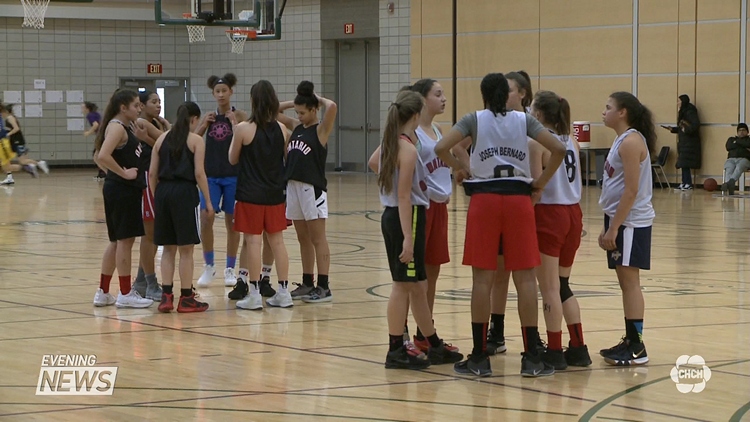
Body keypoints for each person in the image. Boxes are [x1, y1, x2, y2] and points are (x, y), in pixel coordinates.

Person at [435, 72, 565, 377]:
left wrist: (461, 169)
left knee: (483, 281)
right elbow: (557, 149)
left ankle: (480, 357)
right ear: (508, 95)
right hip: (519, 200)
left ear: (483, 95)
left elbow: (442, 148)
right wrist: (540, 183)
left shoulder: (473, 119)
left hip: (485, 201)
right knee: (525, 280)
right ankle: (532, 357)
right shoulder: (524, 120)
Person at [368, 90, 463, 370]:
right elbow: (403, 196)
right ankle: (395, 348)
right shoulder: (407, 149)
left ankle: (432, 343)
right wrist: (408, 238)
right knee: (403, 285)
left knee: (419, 286)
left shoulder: (396, 142)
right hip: (405, 217)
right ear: (414, 115)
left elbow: (377, 165)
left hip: (402, 216)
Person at [528, 90, 592, 369]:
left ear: (539, 115)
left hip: (549, 214)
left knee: (549, 288)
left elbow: (534, 186)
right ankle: (578, 347)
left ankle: (554, 350)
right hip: (573, 213)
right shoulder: (573, 142)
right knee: (562, 285)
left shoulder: (536, 143)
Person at [598, 92, 656, 366]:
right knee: (625, 283)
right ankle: (630, 339)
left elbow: (631, 190)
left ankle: (637, 347)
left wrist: (614, 228)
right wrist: (609, 224)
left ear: (622, 112)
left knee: (631, 283)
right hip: (620, 220)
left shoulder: (631, 142)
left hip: (631, 222)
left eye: (608, 107)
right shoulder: (622, 140)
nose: (604, 111)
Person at [229, 80, 292, 310]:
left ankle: (254, 294)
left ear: (253, 101)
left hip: (250, 194)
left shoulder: (243, 129)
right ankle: (284, 292)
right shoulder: (282, 129)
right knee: (278, 242)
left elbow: (232, 159)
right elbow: (286, 158)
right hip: (275, 193)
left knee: (253, 241)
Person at [484, 70, 533, 355]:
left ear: (523, 93)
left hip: (526, 205)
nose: (506, 95)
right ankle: (497, 332)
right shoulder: (488, 120)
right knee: (499, 274)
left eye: (511, 90)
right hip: (501, 206)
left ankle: (538, 339)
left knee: (532, 279)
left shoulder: (530, 121)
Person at [92, 89, 153, 309]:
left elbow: (98, 155)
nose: (139, 108)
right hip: (122, 190)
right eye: (136, 105)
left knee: (116, 241)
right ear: (123, 108)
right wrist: (122, 173)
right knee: (125, 242)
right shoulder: (117, 128)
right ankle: (125, 293)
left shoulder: (120, 127)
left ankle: (103, 291)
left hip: (117, 189)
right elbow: (102, 156)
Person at [277, 81, 337, 303]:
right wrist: (296, 100)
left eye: (303, 112)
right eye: (297, 112)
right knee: (302, 238)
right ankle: (307, 282)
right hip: (292, 186)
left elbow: (332, 107)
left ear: (313, 110)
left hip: (312, 188)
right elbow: (274, 110)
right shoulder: (297, 126)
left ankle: (324, 286)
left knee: (317, 237)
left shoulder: (320, 130)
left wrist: (316, 97)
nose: (299, 116)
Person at [149, 101, 211, 313]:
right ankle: (186, 297)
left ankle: (166, 296)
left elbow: (151, 174)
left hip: (163, 192)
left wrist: (157, 196)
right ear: (194, 119)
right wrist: (209, 201)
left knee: (168, 248)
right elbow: (199, 173)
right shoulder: (195, 140)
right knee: (186, 250)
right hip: (185, 193)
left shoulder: (161, 139)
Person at [195, 74, 246, 290]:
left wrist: (235, 123)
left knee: (233, 222)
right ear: (213, 94)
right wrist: (203, 126)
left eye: (225, 90)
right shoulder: (209, 117)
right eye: (218, 91)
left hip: (234, 175)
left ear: (231, 92)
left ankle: (230, 269)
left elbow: (247, 140)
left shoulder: (240, 115)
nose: (222, 94)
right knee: (206, 217)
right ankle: (209, 265)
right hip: (211, 176)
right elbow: (193, 139)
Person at [131, 90, 170, 302]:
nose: (158, 105)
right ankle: (150, 282)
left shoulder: (153, 123)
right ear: (142, 105)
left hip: (153, 179)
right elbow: (170, 143)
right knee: (150, 235)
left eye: (160, 101)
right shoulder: (142, 123)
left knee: (152, 234)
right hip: (147, 179)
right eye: (153, 102)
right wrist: (164, 127)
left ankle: (141, 281)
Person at [0, 103, 49, 185]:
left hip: (14, 142)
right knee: (8, 163)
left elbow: (16, 129)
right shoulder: (8, 118)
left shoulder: (10, 118)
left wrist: (7, 134)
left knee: (19, 162)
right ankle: (11, 176)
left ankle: (31, 166)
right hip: (12, 142)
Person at [663, 94, 700, 191]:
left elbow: (694, 126)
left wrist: (685, 128)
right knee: (683, 164)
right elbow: (682, 128)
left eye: (679, 101)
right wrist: (673, 129)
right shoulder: (684, 112)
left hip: (690, 142)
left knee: (685, 163)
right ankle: (684, 182)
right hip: (684, 142)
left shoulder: (690, 112)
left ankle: (688, 183)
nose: (677, 103)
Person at [721, 123, 750, 195]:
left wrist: (737, 142)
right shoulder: (731, 139)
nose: (741, 132)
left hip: (744, 159)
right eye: (739, 130)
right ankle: (729, 185)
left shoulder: (748, 140)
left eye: (743, 130)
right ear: (737, 132)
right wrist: (742, 144)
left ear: (747, 132)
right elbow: (728, 146)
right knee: (728, 169)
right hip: (731, 159)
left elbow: (748, 144)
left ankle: (729, 183)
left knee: (739, 167)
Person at [83, 101, 106, 180]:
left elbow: (96, 125)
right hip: (104, 135)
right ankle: (103, 173)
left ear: (87, 108)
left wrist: (88, 132)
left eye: (83, 107)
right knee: (98, 155)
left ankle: (106, 173)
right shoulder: (96, 114)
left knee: (96, 156)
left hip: (102, 137)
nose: (82, 109)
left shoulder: (90, 115)